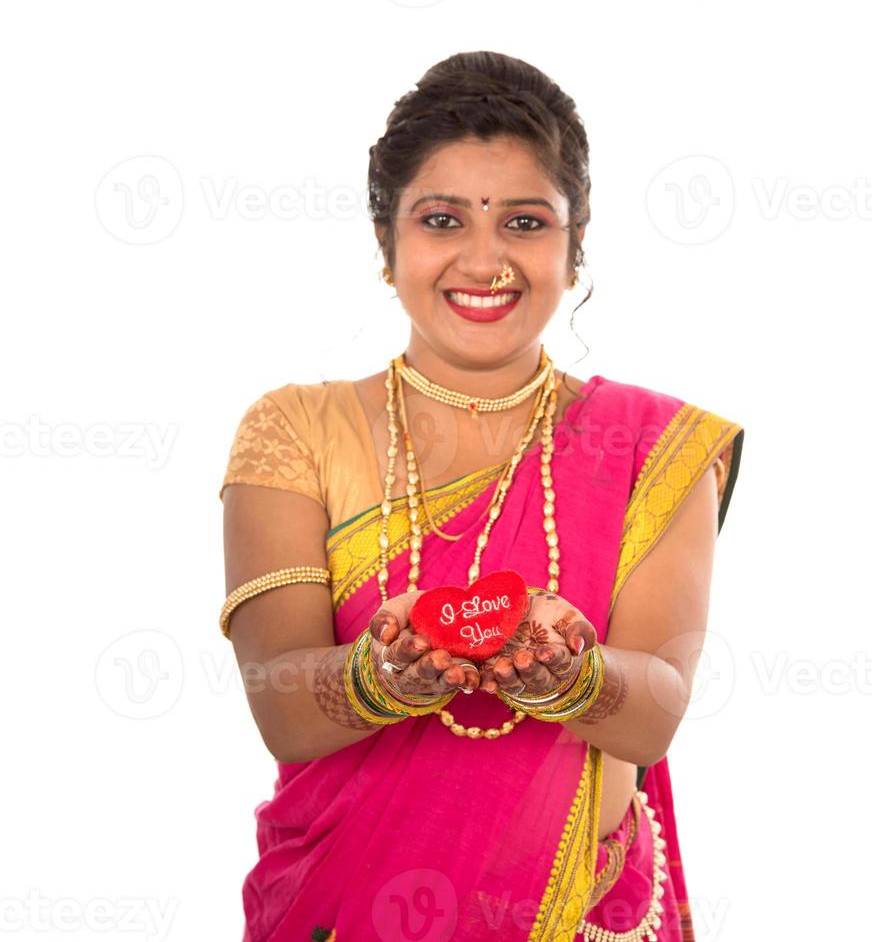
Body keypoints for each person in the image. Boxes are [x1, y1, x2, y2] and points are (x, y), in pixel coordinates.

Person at [218, 51, 744, 942]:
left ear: (574, 247)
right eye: (441, 218)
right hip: (347, 906)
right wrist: (384, 676)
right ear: (388, 245)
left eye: (526, 222)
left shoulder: (652, 446)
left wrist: (567, 672)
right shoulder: (293, 430)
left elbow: (653, 712)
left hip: (576, 910)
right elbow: (282, 705)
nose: (483, 258)